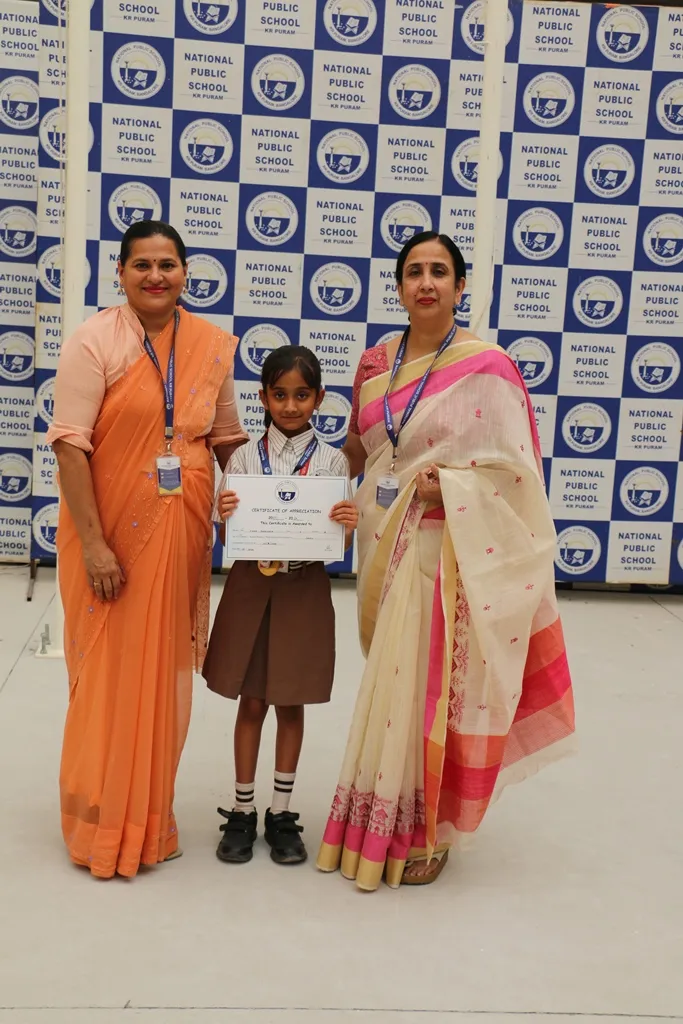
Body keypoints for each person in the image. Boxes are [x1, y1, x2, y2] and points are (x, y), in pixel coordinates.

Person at [316, 231, 575, 891]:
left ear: (460, 287)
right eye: (413, 272)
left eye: (439, 272)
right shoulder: (375, 363)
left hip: (449, 550)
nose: (425, 283)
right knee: (393, 687)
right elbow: (360, 449)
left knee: (431, 692)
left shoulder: (488, 366)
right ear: (399, 287)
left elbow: (515, 473)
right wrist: (296, 490)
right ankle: (381, 816)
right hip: (384, 538)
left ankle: (429, 830)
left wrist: (452, 487)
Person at [48, 220, 248, 879]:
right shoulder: (94, 340)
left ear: (185, 272)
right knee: (109, 669)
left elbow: (227, 440)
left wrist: (276, 507)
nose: (156, 276)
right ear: (121, 273)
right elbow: (70, 445)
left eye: (168, 264)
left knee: (159, 671)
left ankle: (147, 819)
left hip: (180, 530)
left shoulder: (210, 345)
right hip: (107, 533)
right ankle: (99, 818)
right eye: (142, 265)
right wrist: (96, 546)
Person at [203, 346, 358, 866]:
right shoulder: (244, 459)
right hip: (252, 586)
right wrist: (226, 514)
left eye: (302, 395)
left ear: (319, 397)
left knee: (292, 702)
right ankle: (243, 810)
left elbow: (338, 545)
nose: (290, 406)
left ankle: (282, 813)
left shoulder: (334, 462)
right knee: (251, 701)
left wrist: (346, 525)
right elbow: (230, 537)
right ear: (263, 397)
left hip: (303, 587)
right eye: (280, 394)